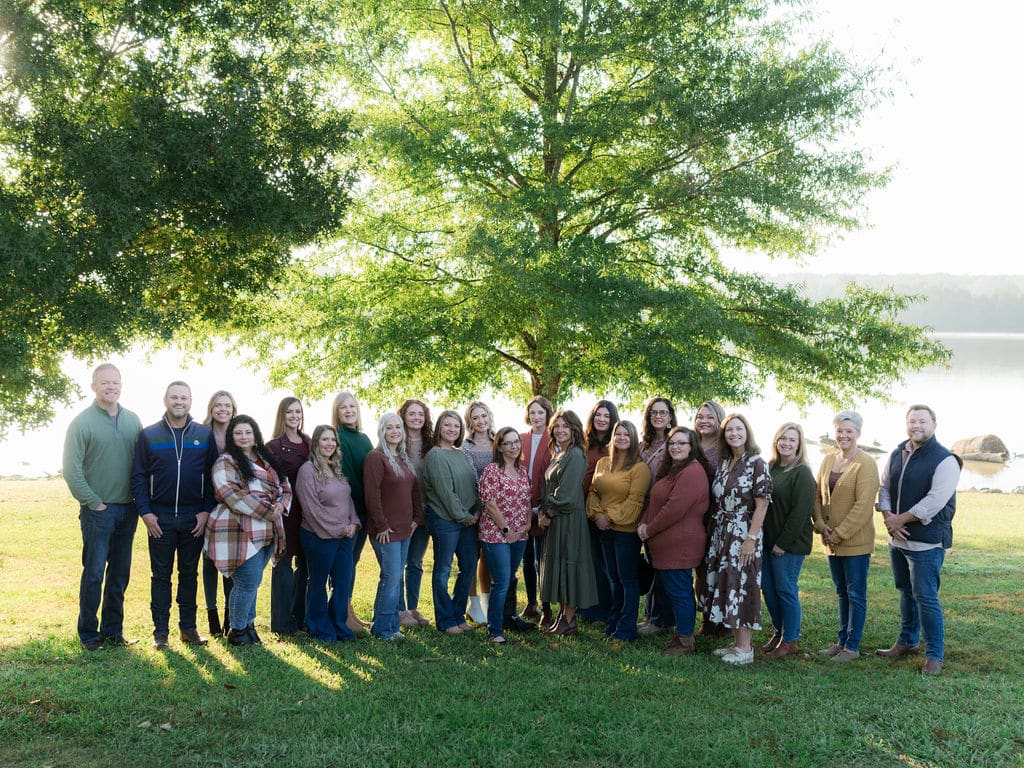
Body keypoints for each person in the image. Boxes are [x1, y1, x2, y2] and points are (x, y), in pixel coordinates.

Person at [131, 381, 219, 650]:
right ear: (165, 400)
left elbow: (213, 475)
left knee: (189, 574)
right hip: (160, 518)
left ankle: (188, 629)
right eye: (174, 397)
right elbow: (138, 477)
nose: (178, 401)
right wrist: (146, 513)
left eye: (183, 398)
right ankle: (160, 633)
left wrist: (205, 511)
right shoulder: (149, 435)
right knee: (160, 576)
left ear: (191, 402)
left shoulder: (204, 435)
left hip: (194, 519)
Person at [62, 363, 143, 651]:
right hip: (98, 511)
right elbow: (71, 471)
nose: (111, 387)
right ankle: (88, 633)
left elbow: (141, 466)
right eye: (105, 382)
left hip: (128, 510)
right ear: (94, 386)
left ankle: (112, 632)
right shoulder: (82, 423)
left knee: (120, 573)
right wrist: (94, 503)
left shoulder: (133, 420)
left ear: (121, 385)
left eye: (116, 382)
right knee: (94, 572)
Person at [875, 405, 960, 676]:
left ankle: (935, 654)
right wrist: (889, 517)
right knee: (905, 591)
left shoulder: (945, 459)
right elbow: (885, 486)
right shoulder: (897, 452)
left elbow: (935, 501)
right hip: (897, 540)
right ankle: (908, 641)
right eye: (912, 421)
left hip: (926, 542)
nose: (916, 426)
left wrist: (901, 520)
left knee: (925, 596)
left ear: (934, 424)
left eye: (922, 421)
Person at [205, 415, 290, 646]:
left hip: (268, 530)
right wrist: (267, 510)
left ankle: (249, 626)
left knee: (254, 581)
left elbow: (285, 486)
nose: (244, 437)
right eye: (238, 433)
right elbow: (230, 494)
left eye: (248, 432)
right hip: (238, 528)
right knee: (247, 581)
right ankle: (237, 630)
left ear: (255, 436)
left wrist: (281, 505)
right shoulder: (226, 461)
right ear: (232, 437)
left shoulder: (266, 460)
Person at [701, 413, 772, 665]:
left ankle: (745, 649)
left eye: (739, 429)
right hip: (722, 532)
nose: (734, 433)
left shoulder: (757, 463)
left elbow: (762, 505)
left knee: (742, 585)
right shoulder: (724, 462)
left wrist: (751, 538)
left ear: (747, 432)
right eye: (729, 430)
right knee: (728, 584)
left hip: (744, 532)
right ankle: (736, 642)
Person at [638, 426, 711, 655]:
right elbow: (656, 500)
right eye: (672, 444)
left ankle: (686, 642)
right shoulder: (673, 470)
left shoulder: (692, 471)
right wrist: (643, 522)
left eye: (681, 443)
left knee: (681, 592)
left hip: (681, 544)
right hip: (667, 545)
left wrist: (649, 530)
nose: (675, 447)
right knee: (676, 591)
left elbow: (674, 509)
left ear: (692, 447)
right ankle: (680, 635)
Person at [813, 411, 879, 663]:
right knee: (842, 592)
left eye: (849, 431)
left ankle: (852, 646)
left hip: (854, 542)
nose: (843, 435)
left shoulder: (866, 464)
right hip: (830, 541)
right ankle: (841, 641)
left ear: (858, 434)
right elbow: (817, 495)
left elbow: (863, 506)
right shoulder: (828, 460)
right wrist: (819, 524)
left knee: (856, 593)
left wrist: (839, 534)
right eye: (840, 430)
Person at [295, 425, 361, 642]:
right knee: (318, 582)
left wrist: (353, 522)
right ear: (316, 443)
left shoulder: (336, 469)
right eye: (325, 439)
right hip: (318, 536)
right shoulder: (307, 470)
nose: (330, 443)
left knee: (342, 582)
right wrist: (336, 528)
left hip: (343, 536)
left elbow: (347, 499)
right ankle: (318, 626)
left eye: (333, 440)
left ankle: (338, 624)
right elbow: (311, 508)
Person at [586, 420, 651, 641]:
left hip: (626, 532)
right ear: (612, 438)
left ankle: (626, 627)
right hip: (604, 530)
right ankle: (613, 622)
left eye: (627, 434)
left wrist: (609, 516)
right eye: (618, 434)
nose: (622, 438)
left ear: (633, 439)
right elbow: (594, 492)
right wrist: (597, 516)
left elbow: (635, 503)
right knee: (613, 578)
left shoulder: (639, 468)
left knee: (627, 579)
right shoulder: (603, 463)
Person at [421, 410, 482, 634]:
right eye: (447, 425)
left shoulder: (461, 453)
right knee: (443, 570)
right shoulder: (435, 456)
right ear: (439, 428)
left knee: (467, 568)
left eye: (456, 426)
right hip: (445, 520)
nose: (452, 430)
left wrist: (475, 510)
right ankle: (445, 620)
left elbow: (472, 484)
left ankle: (458, 614)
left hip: (467, 519)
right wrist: (464, 516)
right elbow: (445, 493)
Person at [538, 410, 597, 636]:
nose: (560, 430)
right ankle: (563, 616)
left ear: (575, 429)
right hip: (557, 520)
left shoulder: (575, 455)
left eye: (566, 426)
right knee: (560, 566)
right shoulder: (559, 454)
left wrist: (547, 513)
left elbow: (567, 495)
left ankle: (570, 619)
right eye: (557, 426)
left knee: (570, 566)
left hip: (569, 520)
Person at [365, 413, 424, 640]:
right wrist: (381, 525)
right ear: (382, 430)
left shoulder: (403, 458)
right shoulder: (376, 458)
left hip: (405, 529)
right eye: (389, 428)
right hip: (385, 531)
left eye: (398, 427)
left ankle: (391, 626)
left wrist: (417, 519)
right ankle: (381, 628)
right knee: (390, 578)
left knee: (395, 577)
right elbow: (372, 494)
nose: (394, 431)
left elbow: (414, 491)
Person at [761, 423, 815, 659]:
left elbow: (800, 512)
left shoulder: (802, 472)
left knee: (785, 589)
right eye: (783, 438)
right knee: (768, 589)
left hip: (790, 544)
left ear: (799, 444)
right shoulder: (770, 468)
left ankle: (790, 640)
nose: (786, 443)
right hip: (766, 541)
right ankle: (779, 631)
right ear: (775, 440)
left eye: (792, 440)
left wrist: (782, 543)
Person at [477, 427, 533, 643]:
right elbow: (489, 504)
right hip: (496, 535)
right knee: (500, 581)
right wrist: (506, 530)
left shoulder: (522, 471)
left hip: (520, 534)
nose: (514, 446)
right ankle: (495, 630)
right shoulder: (492, 471)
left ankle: (508, 618)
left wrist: (527, 524)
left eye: (516, 441)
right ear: (499, 447)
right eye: (508, 443)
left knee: (509, 579)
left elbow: (527, 500)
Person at [266, 397, 311, 635]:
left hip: (308, 512)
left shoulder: (309, 442)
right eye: (290, 412)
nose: (295, 416)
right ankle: (282, 624)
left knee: (305, 565)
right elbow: (268, 480)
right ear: (282, 415)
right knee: (283, 564)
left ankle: (300, 618)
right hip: (284, 512)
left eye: (298, 412)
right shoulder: (273, 446)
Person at [332, 391, 374, 634]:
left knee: (353, 562)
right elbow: (347, 479)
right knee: (344, 563)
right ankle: (340, 612)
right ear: (336, 412)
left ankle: (347, 609)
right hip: (349, 510)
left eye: (352, 407)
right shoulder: (338, 437)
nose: (349, 411)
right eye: (343, 408)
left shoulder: (364, 438)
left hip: (364, 510)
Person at [638, 397, 678, 636]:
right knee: (651, 564)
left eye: (663, 412)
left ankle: (662, 620)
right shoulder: (644, 444)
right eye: (654, 412)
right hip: (642, 510)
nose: (658, 416)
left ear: (670, 416)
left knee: (664, 566)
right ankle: (651, 615)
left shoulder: (675, 443)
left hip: (662, 509)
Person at [579, 399, 619, 625]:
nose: (602, 420)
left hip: (606, 512)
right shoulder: (585, 444)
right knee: (590, 562)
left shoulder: (617, 445)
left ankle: (606, 611)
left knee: (605, 565)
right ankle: (590, 608)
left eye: (606, 416)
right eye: (598, 416)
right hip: (583, 509)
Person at [201, 390, 237, 636]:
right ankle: (211, 614)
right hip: (205, 504)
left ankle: (228, 615)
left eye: (228, 405)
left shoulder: (240, 434)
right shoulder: (201, 434)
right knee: (209, 559)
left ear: (234, 409)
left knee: (230, 561)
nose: (223, 409)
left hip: (231, 506)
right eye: (218, 405)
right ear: (211, 408)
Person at [693, 400, 728, 638]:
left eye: (709, 417)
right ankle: (706, 618)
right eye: (700, 416)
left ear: (719, 420)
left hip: (717, 518)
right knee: (700, 570)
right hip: (693, 517)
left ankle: (722, 621)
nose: (704, 421)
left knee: (718, 569)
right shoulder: (690, 443)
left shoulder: (724, 448)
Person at [397, 398, 434, 628]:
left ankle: (412, 607)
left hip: (425, 510)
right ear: (403, 416)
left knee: (416, 562)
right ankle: (399, 609)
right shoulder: (396, 441)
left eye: (420, 414)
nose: (416, 418)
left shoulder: (431, 444)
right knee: (398, 562)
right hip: (402, 511)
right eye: (411, 414)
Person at [520, 395, 556, 624]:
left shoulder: (554, 440)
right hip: (521, 507)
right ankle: (531, 603)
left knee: (541, 559)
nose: (536, 416)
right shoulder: (520, 438)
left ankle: (546, 606)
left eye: (540, 412)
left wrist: (543, 507)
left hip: (543, 506)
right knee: (526, 559)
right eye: (532, 412)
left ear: (547, 414)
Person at [463, 400, 496, 624]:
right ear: (470, 422)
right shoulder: (466, 446)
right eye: (476, 418)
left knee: (489, 556)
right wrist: (480, 504)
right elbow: (470, 477)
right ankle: (473, 605)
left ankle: (486, 602)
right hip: (474, 506)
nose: (481, 421)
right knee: (470, 556)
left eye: (484, 416)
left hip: (496, 509)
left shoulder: (497, 443)